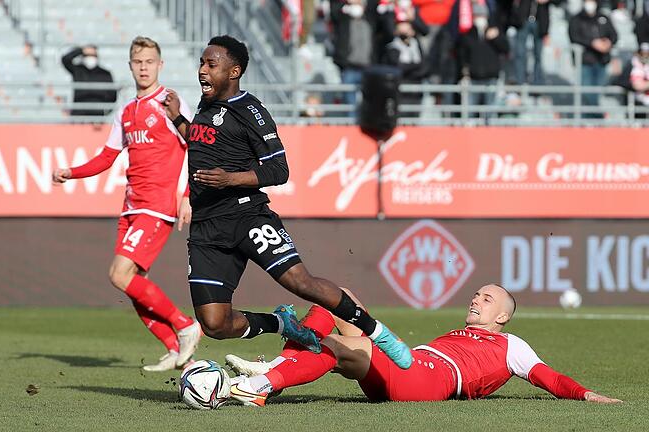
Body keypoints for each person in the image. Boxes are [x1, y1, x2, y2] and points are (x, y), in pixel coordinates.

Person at [162, 35, 412, 369]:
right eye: (201, 63)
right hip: (207, 227)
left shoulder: (252, 112)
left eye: (211, 64)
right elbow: (202, 140)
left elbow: (279, 170)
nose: (202, 71)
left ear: (234, 71)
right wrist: (179, 119)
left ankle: (378, 332)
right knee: (214, 325)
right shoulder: (207, 104)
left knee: (301, 283)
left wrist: (230, 179)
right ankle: (283, 324)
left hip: (247, 216)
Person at [52, 36, 202, 372]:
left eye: (150, 61)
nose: (144, 67)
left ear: (160, 65)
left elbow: (197, 148)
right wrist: (70, 172)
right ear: (131, 66)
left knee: (119, 275)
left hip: (157, 205)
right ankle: (176, 348)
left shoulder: (171, 103)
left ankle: (186, 325)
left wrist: (189, 197)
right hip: (131, 207)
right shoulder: (126, 110)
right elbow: (107, 157)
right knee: (134, 283)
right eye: (138, 62)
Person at [225, 284, 623, 406]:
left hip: (428, 380)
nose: (475, 300)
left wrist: (588, 395)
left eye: (487, 299)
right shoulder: (462, 333)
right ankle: (275, 369)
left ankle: (264, 386)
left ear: (502, 316)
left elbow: (546, 377)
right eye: (477, 295)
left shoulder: (511, 345)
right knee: (339, 297)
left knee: (344, 350)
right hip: (413, 365)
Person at [457, 4, 509, 119]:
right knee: (470, 113)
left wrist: (496, 38)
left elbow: (506, 49)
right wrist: (464, 74)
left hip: (491, 78)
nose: (480, 18)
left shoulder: (495, 32)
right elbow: (462, 56)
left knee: (490, 113)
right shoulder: (468, 35)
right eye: (477, 15)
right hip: (474, 78)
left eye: (482, 15)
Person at [568, 0, 618, 119]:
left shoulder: (603, 17)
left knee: (597, 91)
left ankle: (592, 117)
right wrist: (592, 43)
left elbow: (614, 35)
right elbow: (574, 37)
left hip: (601, 60)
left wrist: (608, 42)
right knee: (587, 90)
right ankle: (596, 116)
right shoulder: (577, 19)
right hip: (585, 61)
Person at [509, 0, 561, 85]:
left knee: (538, 55)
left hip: (540, 22)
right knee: (520, 53)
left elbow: (558, 2)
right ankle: (520, 81)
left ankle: (537, 82)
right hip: (523, 20)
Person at [61, 45, 118, 119]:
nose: (90, 57)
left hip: (97, 114)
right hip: (78, 113)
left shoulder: (105, 73)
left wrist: (105, 112)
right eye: (87, 55)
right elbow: (65, 59)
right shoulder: (78, 70)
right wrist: (81, 50)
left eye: (93, 55)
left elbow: (112, 95)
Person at [630, 43, 649, 116]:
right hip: (640, 101)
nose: (645, 56)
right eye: (643, 53)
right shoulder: (634, 66)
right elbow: (637, 85)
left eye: (647, 54)